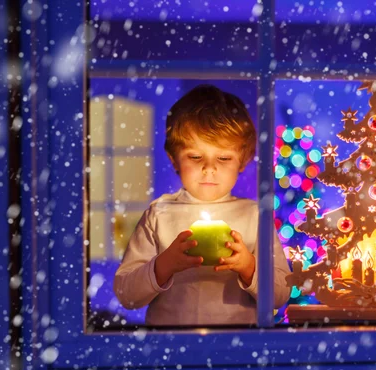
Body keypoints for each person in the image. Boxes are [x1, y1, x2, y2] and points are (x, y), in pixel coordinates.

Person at [113, 84, 291, 326]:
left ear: (243, 161)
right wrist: (165, 264)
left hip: (238, 345)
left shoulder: (254, 215)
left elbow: (280, 294)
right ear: (174, 159)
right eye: (196, 157)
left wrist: (248, 267)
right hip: (170, 348)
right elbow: (126, 294)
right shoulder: (159, 214)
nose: (209, 168)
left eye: (224, 158)